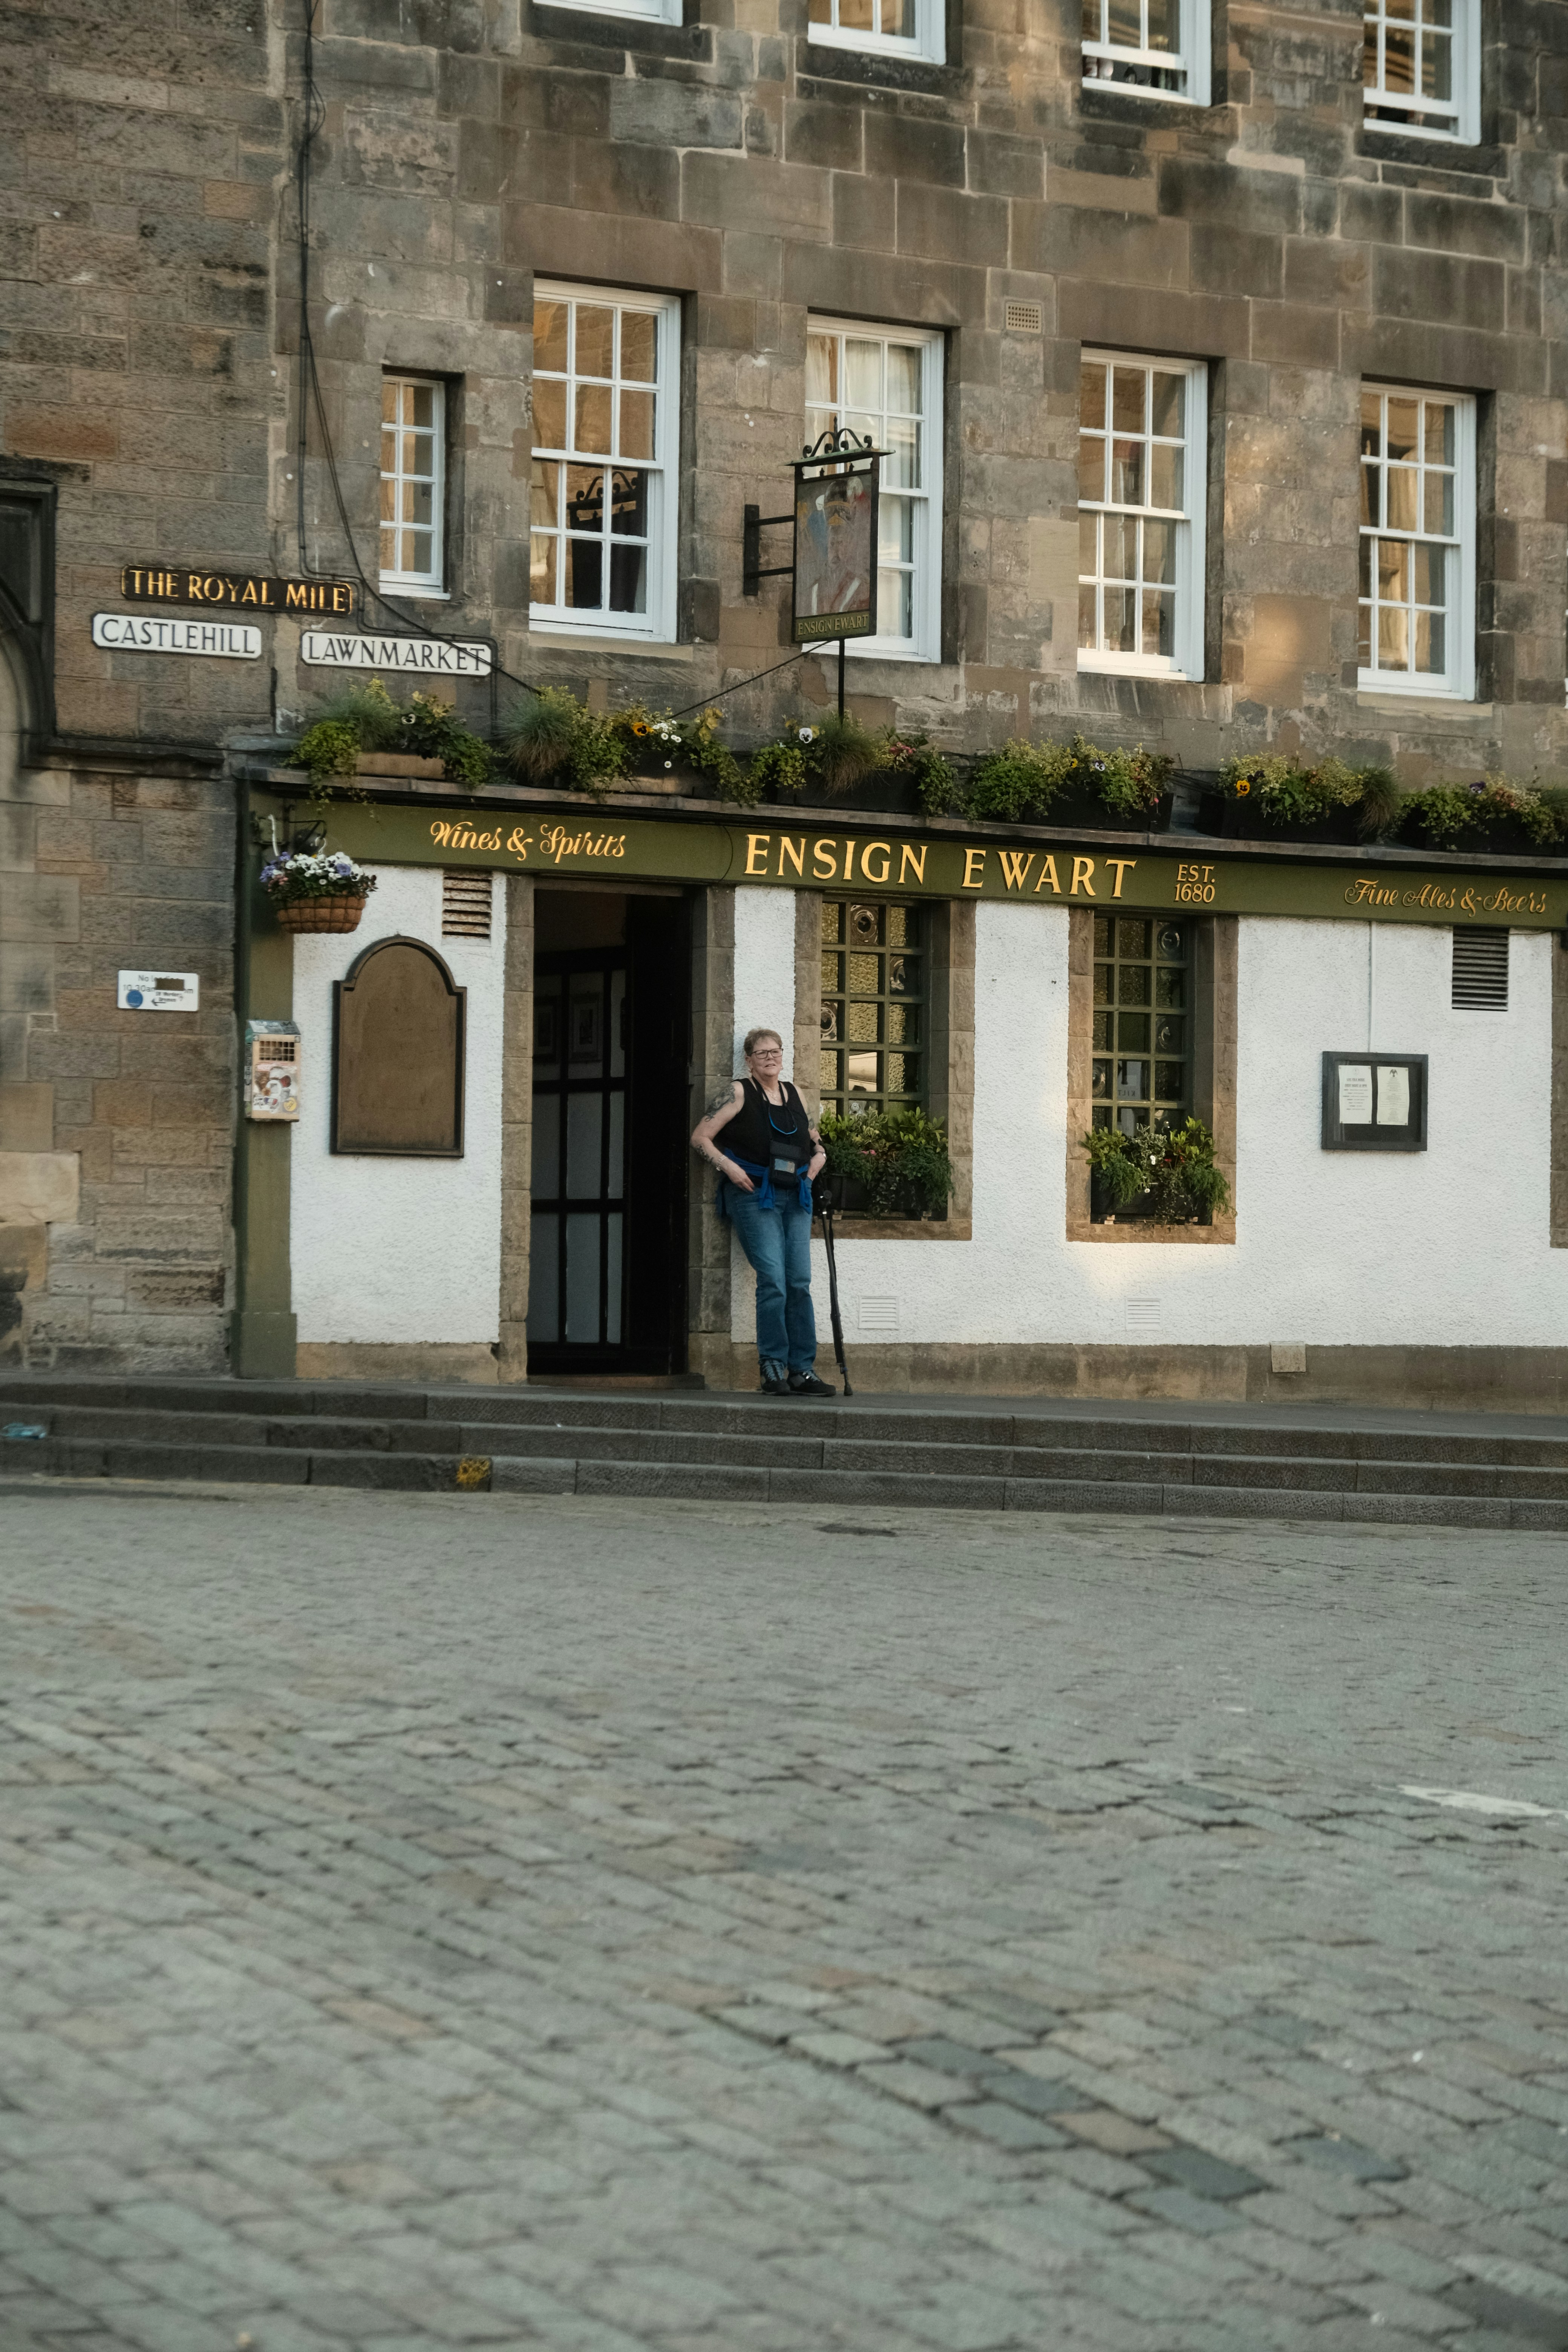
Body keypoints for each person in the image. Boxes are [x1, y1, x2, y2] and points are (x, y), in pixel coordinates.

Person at [691, 1028, 838, 1397]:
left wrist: (819, 1155)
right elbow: (700, 1137)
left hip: (796, 1196)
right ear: (749, 1059)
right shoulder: (739, 1092)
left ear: (782, 1055)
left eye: (775, 1052)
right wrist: (729, 1168)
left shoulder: (794, 1093)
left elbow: (810, 1135)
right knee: (773, 1278)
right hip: (755, 1194)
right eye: (761, 1053)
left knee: (799, 1281)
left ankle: (802, 1369)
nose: (770, 1058)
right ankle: (772, 1365)